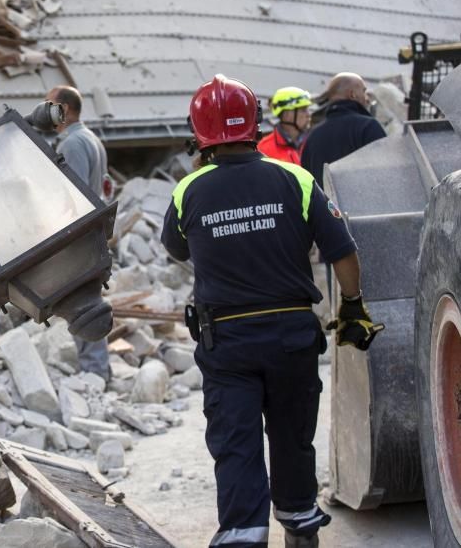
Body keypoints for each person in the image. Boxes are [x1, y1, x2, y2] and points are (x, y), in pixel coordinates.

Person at [160, 75, 382, 548]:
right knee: (291, 435)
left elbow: (177, 249)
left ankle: (243, 535)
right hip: (291, 335)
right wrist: (354, 306)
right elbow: (342, 249)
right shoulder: (297, 178)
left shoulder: (188, 191)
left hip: (227, 341)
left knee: (236, 441)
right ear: (255, 123)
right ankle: (299, 524)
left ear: (199, 132)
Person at [49, 85, 111, 379]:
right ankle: (96, 370)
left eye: (50, 105)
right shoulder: (90, 138)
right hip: (90, 235)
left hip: (78, 239)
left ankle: (94, 374)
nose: (44, 111)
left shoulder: (72, 144)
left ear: (66, 109)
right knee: (87, 305)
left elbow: (75, 195)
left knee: (81, 307)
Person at [300, 72, 386, 185]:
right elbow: (385, 174)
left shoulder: (312, 137)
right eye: (364, 92)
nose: (367, 99)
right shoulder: (368, 127)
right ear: (352, 94)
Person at [257, 87, 312, 164]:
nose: (308, 114)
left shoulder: (314, 142)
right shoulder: (264, 149)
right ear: (287, 115)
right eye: (303, 110)